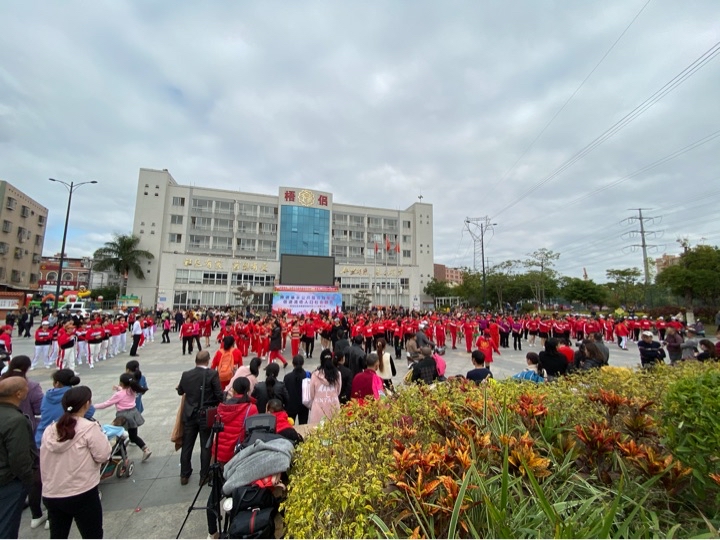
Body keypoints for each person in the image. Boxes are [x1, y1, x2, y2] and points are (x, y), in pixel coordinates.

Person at [40, 386, 111, 539]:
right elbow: (103, 455)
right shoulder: (89, 428)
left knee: (58, 534)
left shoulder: (50, 429)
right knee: (92, 534)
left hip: (52, 493)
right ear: (87, 404)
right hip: (82, 492)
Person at [177, 350, 223, 486]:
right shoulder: (212, 374)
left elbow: (180, 391)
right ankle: (204, 476)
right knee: (205, 446)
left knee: (187, 445)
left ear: (195, 360)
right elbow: (219, 395)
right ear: (208, 360)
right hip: (205, 415)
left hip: (189, 414)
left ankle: (184, 474)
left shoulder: (186, 374)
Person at [0, 377, 35, 539]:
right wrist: (29, 479)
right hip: (9, 481)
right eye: (26, 387)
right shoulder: (15, 420)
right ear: (19, 394)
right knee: (7, 527)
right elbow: (19, 457)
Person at [94, 373, 152, 462]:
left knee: (118, 435)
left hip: (122, 417)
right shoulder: (132, 390)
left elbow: (107, 404)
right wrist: (118, 388)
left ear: (121, 383)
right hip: (133, 413)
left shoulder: (118, 395)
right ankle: (145, 449)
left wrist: (93, 406)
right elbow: (125, 391)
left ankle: (123, 455)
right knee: (133, 436)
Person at [212, 377, 258, 465]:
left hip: (220, 451)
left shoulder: (221, 407)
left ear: (233, 390)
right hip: (237, 452)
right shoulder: (251, 408)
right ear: (248, 390)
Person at [307, 349, 342, 424]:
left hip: (318, 409)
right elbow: (338, 391)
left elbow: (312, 394)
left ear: (321, 360)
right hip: (334, 408)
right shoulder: (337, 374)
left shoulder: (315, 375)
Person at [283, 354, 310, 425]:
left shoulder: (287, 377)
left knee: (290, 425)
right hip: (304, 405)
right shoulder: (307, 375)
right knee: (303, 425)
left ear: (293, 364)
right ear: (303, 363)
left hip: (291, 405)